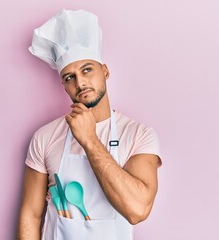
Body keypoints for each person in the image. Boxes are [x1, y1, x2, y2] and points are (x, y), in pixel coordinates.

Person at [17, 9, 162, 240]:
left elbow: (138, 210)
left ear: (105, 71)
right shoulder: (45, 136)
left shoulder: (139, 135)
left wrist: (89, 140)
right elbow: (31, 215)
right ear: (64, 86)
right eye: (69, 77)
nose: (80, 82)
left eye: (87, 69)